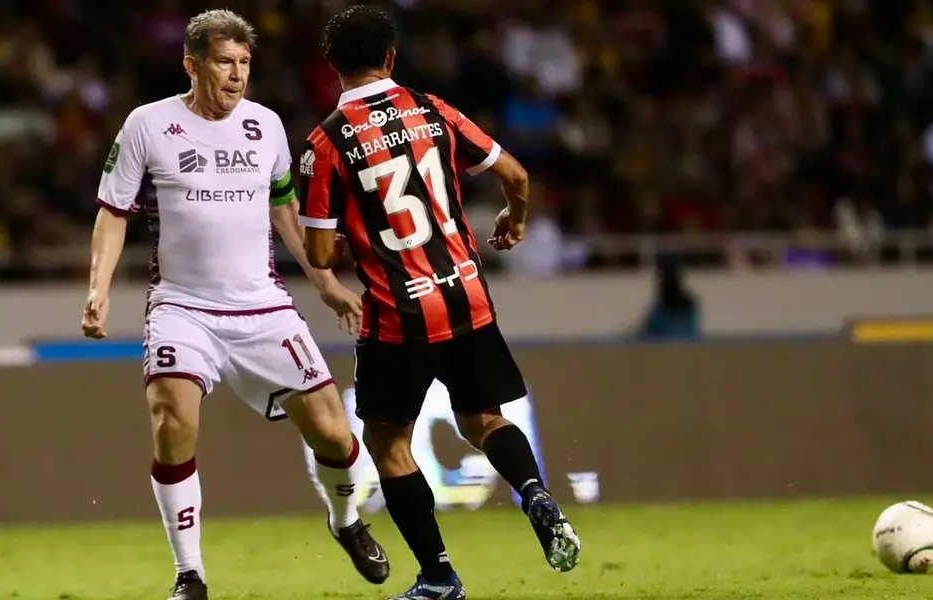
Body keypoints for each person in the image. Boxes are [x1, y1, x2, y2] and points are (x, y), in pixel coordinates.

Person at [80, 10, 389, 600]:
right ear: (192, 64)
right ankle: (189, 575)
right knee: (171, 421)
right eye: (225, 62)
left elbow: (283, 210)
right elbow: (111, 213)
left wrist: (323, 282)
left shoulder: (266, 127)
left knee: (334, 436)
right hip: (182, 307)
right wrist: (98, 289)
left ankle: (346, 521)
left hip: (262, 309)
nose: (238, 74)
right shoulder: (147, 125)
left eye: (245, 63)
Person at [297, 6, 582, 599]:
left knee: (388, 444)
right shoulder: (432, 110)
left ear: (332, 67)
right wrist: (515, 219)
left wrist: (354, 232)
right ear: (391, 58)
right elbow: (517, 175)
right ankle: (535, 494)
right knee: (484, 419)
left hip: (398, 314)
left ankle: (439, 576)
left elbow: (320, 254)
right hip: (467, 297)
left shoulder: (325, 143)